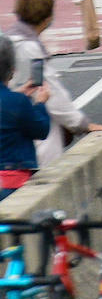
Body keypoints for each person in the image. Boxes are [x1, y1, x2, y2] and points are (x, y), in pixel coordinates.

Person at [6, 0, 102, 165]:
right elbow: (51, 92)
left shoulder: (8, 41)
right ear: (47, 17)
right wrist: (82, 124)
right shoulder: (30, 49)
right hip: (34, 133)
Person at [0, 35, 50, 200]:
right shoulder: (17, 102)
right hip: (12, 182)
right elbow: (40, 129)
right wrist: (40, 104)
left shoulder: (15, 101)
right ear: (12, 70)